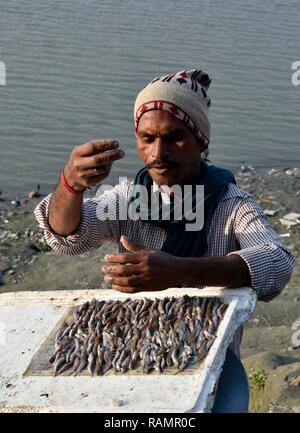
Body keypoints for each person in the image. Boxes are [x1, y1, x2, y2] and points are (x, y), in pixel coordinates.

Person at [34, 68, 295, 412]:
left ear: (201, 140)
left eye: (175, 137)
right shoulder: (128, 198)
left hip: (211, 362)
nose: (159, 152)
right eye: (147, 138)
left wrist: (181, 272)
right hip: (129, 350)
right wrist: (70, 185)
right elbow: (67, 237)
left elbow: (277, 264)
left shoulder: (231, 203)